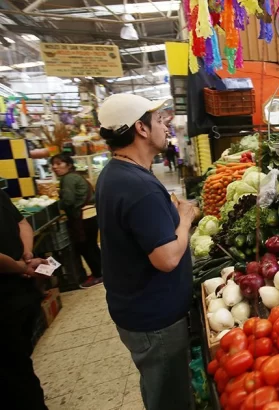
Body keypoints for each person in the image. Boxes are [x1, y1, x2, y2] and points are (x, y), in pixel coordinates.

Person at [96, 94, 198, 410]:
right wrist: (184, 219)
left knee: (160, 389)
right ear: (140, 128)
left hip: (139, 308)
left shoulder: (117, 173)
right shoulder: (136, 186)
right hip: (155, 319)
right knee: (170, 398)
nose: (165, 124)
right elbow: (166, 258)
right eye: (157, 120)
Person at [0, 188, 50, 410]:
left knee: (13, 371)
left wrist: (21, 264)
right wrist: (26, 256)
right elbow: (22, 223)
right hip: (22, 291)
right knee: (20, 363)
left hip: (7, 297)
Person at [50, 153, 103, 289]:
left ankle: (98, 275)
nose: (55, 167)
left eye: (59, 163)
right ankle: (103, 272)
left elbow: (68, 200)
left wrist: (56, 205)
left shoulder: (68, 179)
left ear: (68, 165)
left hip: (83, 217)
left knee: (86, 247)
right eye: (53, 164)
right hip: (91, 215)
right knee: (91, 246)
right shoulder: (76, 176)